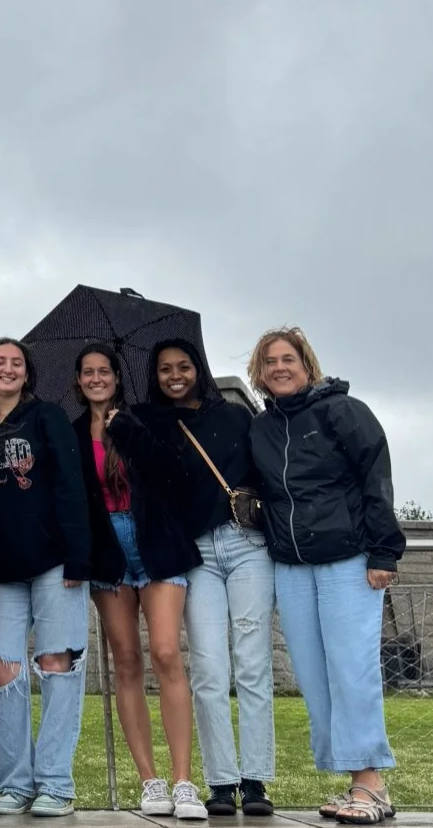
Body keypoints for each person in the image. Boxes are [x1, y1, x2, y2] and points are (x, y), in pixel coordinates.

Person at [247, 328, 404, 826]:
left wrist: (384, 552)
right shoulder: (262, 429)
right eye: (269, 361)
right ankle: (353, 780)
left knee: (351, 672)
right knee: (316, 679)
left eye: (287, 358)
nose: (279, 367)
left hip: (347, 561)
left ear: (307, 365)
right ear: (260, 373)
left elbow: (376, 477)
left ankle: (371, 785)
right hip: (291, 567)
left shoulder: (343, 411)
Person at [73, 342, 207, 821]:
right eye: (87, 372)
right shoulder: (72, 433)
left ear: (116, 377)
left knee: (167, 653)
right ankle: (149, 780)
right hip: (109, 553)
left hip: (155, 544)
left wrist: (126, 429)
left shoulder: (145, 419)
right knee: (126, 661)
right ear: (78, 381)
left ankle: (184, 780)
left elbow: (173, 474)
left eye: (103, 371)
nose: (96, 379)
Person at [150, 340, 276, 816]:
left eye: (183, 366)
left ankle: (256, 780)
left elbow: (265, 477)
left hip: (245, 545)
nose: (175, 375)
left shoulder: (237, 418)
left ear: (198, 370)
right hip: (196, 553)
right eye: (165, 369)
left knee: (251, 663)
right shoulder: (158, 426)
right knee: (207, 666)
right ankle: (221, 782)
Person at [0, 337, 91, 818]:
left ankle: (56, 783)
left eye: (17, 363)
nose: (8, 369)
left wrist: (78, 554)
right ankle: (15, 783)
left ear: (27, 374)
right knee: (3, 670)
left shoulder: (47, 416)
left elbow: (71, 483)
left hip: (53, 563)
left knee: (57, 665)